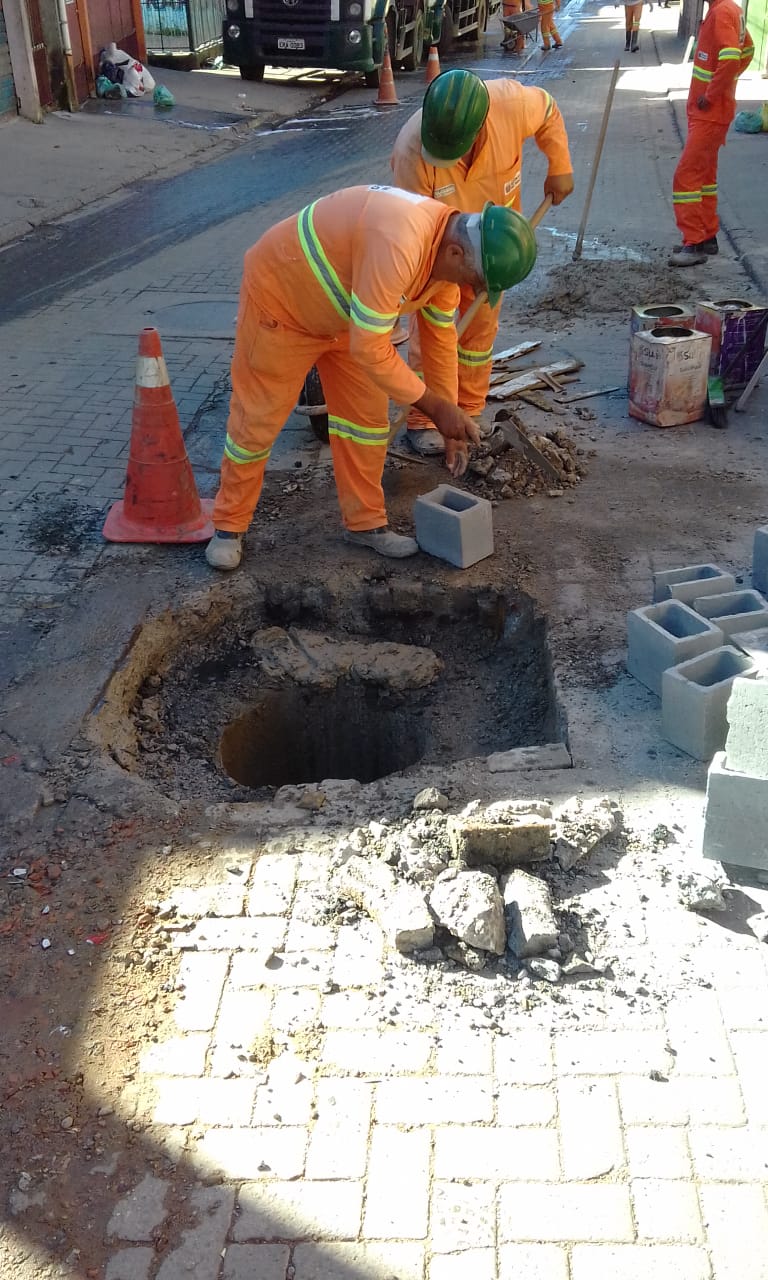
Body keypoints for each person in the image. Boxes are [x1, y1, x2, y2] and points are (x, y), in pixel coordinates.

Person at [205, 185, 534, 571]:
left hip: (348, 320)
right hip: (283, 305)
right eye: (475, 280)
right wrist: (433, 406)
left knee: (366, 423)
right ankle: (228, 526)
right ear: (456, 253)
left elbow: (440, 340)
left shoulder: (446, 256)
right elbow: (371, 349)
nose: (473, 290)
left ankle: (364, 524)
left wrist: (450, 421)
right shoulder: (400, 242)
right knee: (256, 424)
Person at [390, 69, 573, 456]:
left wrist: (560, 165)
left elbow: (550, 110)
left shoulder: (510, 105)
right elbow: (415, 231)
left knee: (480, 333)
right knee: (432, 331)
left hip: (493, 250)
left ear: (477, 131)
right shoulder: (412, 151)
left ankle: (469, 410)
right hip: (442, 252)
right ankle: (426, 419)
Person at [669, 0, 754, 267]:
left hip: (710, 112)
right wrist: (723, 87)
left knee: (686, 177)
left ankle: (693, 243)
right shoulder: (728, 10)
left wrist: (712, 93)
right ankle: (707, 236)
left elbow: (731, 57)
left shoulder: (721, 12)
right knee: (704, 177)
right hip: (709, 112)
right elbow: (747, 50)